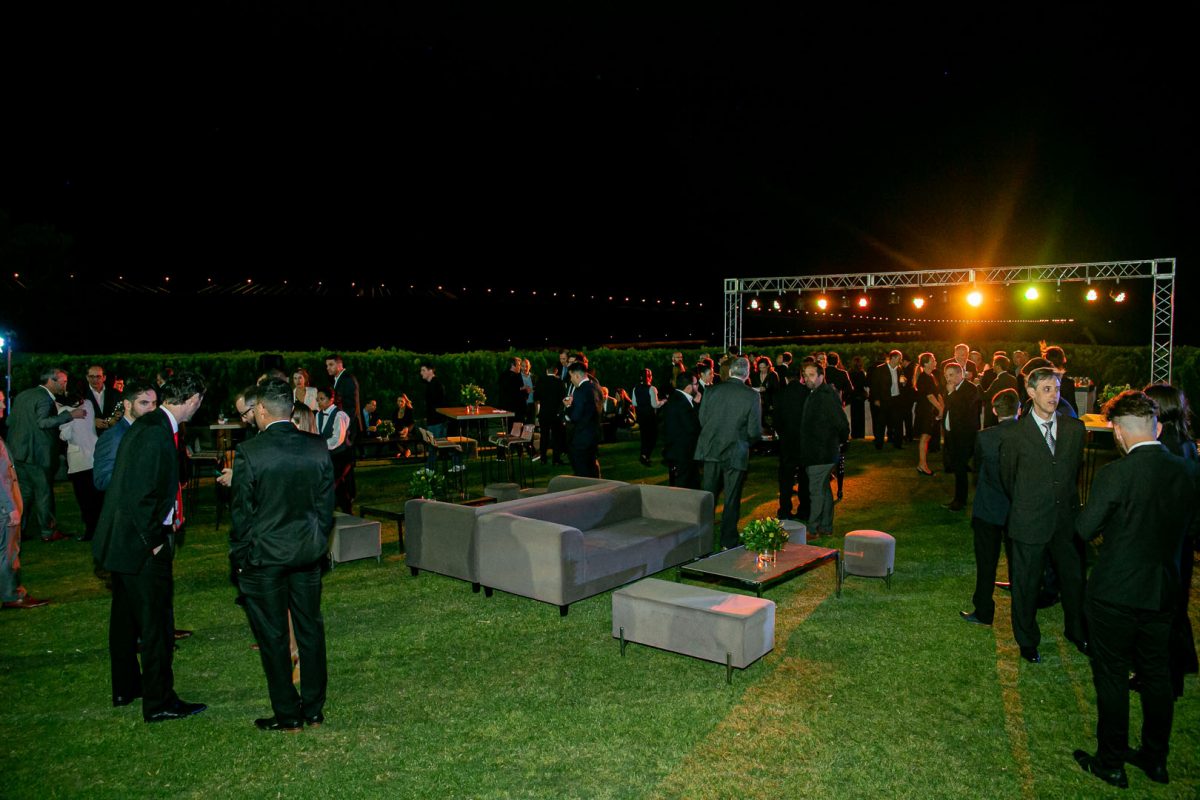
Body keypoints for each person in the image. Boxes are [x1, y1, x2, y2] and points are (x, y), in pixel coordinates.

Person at [1072, 390, 1199, 789]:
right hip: (1163, 590)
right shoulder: (1187, 470)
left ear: (1118, 433)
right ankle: (1155, 758)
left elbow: (1084, 529)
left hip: (1115, 592)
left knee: (1112, 675)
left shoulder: (1116, 474)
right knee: (1157, 673)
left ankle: (1111, 762)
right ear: (1156, 428)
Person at [92, 371, 208, 722]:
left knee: (126, 620)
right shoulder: (155, 432)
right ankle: (159, 702)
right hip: (140, 545)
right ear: (193, 399)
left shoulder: (150, 425)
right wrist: (154, 542)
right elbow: (138, 494)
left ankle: (128, 688)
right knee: (156, 625)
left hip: (125, 544)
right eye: (200, 401)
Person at [230, 377, 335, 732]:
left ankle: (289, 714)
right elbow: (326, 506)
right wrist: (317, 541)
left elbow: (242, 514)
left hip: (266, 558)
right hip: (306, 553)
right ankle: (314, 709)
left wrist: (241, 557)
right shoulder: (316, 446)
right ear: (290, 409)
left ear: (261, 409)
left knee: (274, 636)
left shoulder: (250, 452)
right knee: (309, 629)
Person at [999, 366, 1087, 664]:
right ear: (1031, 392)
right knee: (1026, 584)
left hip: (1066, 522)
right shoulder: (1015, 434)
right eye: (1047, 389)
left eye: (1057, 389)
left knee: (1073, 581)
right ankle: (1027, 639)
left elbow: (1073, 472)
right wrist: (1030, 503)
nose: (1054, 395)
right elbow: (1008, 478)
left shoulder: (1075, 429)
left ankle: (1077, 631)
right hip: (1029, 521)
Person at [1142, 383, 1199, 698]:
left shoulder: (1168, 447)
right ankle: (1185, 661)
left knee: (1165, 610)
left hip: (1168, 540)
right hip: (1181, 539)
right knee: (1175, 606)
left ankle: (1168, 678)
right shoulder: (1184, 441)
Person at [961, 388, 1020, 627]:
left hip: (989, 506)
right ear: (1019, 409)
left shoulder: (985, 437)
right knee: (1019, 560)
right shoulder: (1028, 435)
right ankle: (1022, 609)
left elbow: (977, 467)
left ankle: (984, 610)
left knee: (986, 562)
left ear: (995, 411)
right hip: (1017, 507)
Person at [7, 368, 87, 542]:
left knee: (25, 493)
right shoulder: (44, 398)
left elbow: (10, 420)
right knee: (43, 492)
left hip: (18, 453)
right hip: (36, 454)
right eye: (63, 382)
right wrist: (70, 415)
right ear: (51, 381)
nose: (65, 385)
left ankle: (19, 530)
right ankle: (48, 531)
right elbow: (43, 423)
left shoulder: (23, 395)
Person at [696, 357, 762, 551]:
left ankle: (702, 540)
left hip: (711, 448)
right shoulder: (751, 395)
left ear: (730, 371)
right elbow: (754, 431)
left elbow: (702, 419)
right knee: (732, 498)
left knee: (708, 497)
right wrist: (744, 441)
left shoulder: (711, 391)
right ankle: (728, 540)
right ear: (747, 374)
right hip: (736, 451)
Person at [796, 362, 849, 536]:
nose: (807, 378)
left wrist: (839, 442)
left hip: (821, 452)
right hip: (818, 452)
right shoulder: (816, 393)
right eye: (805, 375)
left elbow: (842, 423)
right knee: (823, 489)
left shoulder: (825, 395)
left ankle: (813, 529)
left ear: (821, 376)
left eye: (811, 375)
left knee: (816, 491)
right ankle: (825, 527)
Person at [2, 433, 49, 609]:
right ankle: (13, 595)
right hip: (4, 507)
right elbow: (2, 478)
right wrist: (10, 507)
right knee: (8, 552)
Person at [94, 381, 159, 492]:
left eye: (154, 403)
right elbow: (102, 480)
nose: (152, 409)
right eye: (144, 403)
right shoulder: (114, 436)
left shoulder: (149, 430)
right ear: (127, 405)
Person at [59, 393, 102, 540]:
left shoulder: (65, 411)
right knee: (96, 496)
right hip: (93, 455)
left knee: (84, 498)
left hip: (78, 459)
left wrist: (66, 422)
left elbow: (65, 435)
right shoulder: (88, 404)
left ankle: (91, 529)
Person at [941, 363, 982, 511]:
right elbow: (949, 408)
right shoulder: (951, 389)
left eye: (951, 375)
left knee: (960, 468)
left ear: (960, 374)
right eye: (946, 376)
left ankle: (960, 501)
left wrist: (951, 393)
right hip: (952, 434)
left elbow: (962, 410)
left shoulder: (970, 389)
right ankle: (958, 499)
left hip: (964, 437)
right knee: (956, 468)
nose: (948, 379)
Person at [773, 367, 809, 522]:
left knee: (786, 478)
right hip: (804, 440)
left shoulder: (781, 394)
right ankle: (805, 509)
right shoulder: (807, 393)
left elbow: (776, 419)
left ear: (786, 379)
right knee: (804, 477)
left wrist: (781, 433)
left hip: (787, 441)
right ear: (800, 377)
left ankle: (785, 509)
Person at [315, 387, 354, 513]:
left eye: (322, 399)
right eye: (318, 399)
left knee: (333, 482)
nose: (319, 402)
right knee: (337, 484)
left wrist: (320, 445)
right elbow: (318, 433)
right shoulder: (318, 415)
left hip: (341, 456)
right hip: (328, 455)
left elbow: (337, 439)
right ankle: (345, 508)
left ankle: (330, 509)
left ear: (331, 399)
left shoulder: (340, 415)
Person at [661, 370, 700, 489]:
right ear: (688, 387)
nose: (698, 386)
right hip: (683, 451)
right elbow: (692, 427)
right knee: (684, 484)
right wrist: (696, 406)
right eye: (696, 384)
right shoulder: (681, 402)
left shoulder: (676, 397)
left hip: (678, 449)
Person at [563, 361, 601, 478]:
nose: (571, 380)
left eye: (571, 376)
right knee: (592, 469)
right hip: (594, 435)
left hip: (581, 438)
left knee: (582, 472)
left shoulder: (580, 391)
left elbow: (575, 416)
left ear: (577, 375)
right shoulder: (596, 387)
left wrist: (568, 406)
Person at [420, 363, 460, 472]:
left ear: (431, 371)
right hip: (434, 420)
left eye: (423, 370)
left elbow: (441, 403)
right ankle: (457, 463)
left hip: (437, 421)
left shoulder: (436, 385)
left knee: (435, 445)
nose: (421, 373)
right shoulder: (431, 385)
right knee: (439, 444)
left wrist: (440, 419)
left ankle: (430, 468)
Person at [913, 353, 942, 476]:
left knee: (927, 437)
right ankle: (922, 465)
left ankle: (922, 464)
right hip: (925, 411)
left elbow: (937, 394)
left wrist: (941, 407)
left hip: (929, 411)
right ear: (926, 363)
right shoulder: (924, 378)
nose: (935, 362)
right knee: (925, 438)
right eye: (933, 360)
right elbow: (930, 396)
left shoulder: (931, 376)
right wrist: (941, 409)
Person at [869, 350, 904, 449]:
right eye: (899, 358)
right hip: (884, 399)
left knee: (898, 423)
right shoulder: (880, 369)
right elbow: (875, 385)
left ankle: (898, 444)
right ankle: (879, 444)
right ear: (892, 358)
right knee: (881, 423)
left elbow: (900, 383)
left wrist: (903, 383)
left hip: (896, 399)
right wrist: (876, 399)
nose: (900, 361)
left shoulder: (899, 369)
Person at [632, 369, 665, 467]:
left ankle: (644, 455)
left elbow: (634, 403)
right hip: (650, 416)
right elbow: (655, 404)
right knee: (652, 437)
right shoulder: (652, 389)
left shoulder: (635, 388)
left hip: (641, 416)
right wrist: (664, 401)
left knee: (644, 437)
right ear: (650, 377)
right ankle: (645, 455)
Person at [534, 365, 566, 465]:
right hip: (555, 413)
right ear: (556, 371)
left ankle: (543, 458)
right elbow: (563, 397)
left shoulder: (541, 381)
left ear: (547, 371)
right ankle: (556, 458)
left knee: (544, 436)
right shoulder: (559, 382)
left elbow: (536, 396)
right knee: (556, 436)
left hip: (544, 413)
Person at [982, 354, 1017, 428]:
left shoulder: (998, 381)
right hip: (1010, 413)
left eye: (994, 364)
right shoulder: (1013, 379)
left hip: (996, 415)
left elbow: (985, 396)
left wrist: (977, 384)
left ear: (998, 366)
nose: (993, 366)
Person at [84, 365, 120, 432]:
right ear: (87, 378)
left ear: (104, 378)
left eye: (98, 376)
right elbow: (75, 416)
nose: (95, 380)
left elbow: (120, 413)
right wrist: (92, 421)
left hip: (111, 433)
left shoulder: (115, 394)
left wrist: (116, 419)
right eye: (91, 376)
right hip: (89, 434)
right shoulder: (81, 394)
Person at [751, 356, 780, 430]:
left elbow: (776, 390)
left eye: (763, 367)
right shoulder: (755, 375)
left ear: (768, 366)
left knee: (768, 424)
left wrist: (766, 389)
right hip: (758, 403)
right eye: (760, 367)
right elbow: (752, 387)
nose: (762, 369)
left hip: (769, 403)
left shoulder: (773, 375)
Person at [847, 356, 868, 439]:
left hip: (853, 396)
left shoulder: (850, 373)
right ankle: (861, 433)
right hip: (860, 396)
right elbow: (865, 383)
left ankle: (854, 433)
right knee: (861, 416)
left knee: (854, 416)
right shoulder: (861, 373)